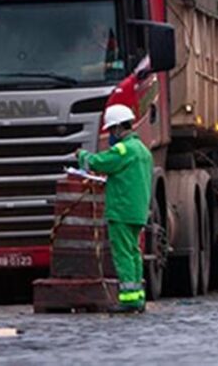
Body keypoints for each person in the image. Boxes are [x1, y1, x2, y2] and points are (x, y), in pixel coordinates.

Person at [77, 104, 152, 313]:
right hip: (137, 211)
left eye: (111, 130)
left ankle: (128, 300)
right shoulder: (143, 150)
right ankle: (137, 297)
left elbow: (101, 162)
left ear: (119, 128)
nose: (111, 135)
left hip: (121, 210)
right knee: (134, 253)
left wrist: (83, 156)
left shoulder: (123, 149)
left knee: (123, 254)